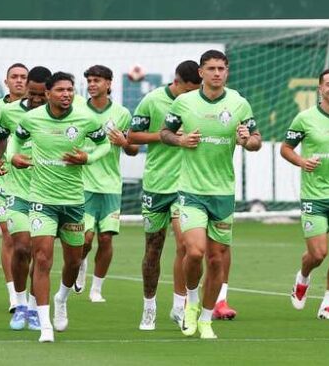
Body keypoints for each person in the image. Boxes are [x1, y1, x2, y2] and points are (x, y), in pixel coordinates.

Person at [162, 50, 262, 340]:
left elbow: (256, 140)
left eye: (221, 68)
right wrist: (180, 139)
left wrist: (247, 141)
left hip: (222, 193)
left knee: (217, 260)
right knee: (194, 251)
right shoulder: (184, 102)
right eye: (211, 68)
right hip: (191, 190)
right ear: (201, 72)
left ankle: (206, 319)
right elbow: (164, 133)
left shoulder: (239, 103)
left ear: (227, 72)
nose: (217, 73)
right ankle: (191, 302)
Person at [9, 71, 108, 343]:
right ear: (49, 93)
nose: (66, 94)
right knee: (41, 258)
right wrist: (12, 156)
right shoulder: (32, 118)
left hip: (74, 201)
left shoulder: (86, 119)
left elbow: (105, 144)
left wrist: (88, 157)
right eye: (61, 90)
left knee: (74, 260)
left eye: (70, 90)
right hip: (41, 200)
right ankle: (44, 326)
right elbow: (15, 139)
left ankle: (61, 298)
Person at [130, 60, 202, 331]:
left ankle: (178, 306)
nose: (193, 95)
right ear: (178, 82)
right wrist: (166, 136)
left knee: (186, 245)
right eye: (189, 89)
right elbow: (132, 136)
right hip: (156, 185)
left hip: (185, 185)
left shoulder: (199, 103)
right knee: (153, 249)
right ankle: (149, 307)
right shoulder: (152, 100)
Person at [281, 68, 329, 320]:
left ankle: (328, 304)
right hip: (314, 196)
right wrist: (301, 161)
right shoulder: (305, 118)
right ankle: (302, 278)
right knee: (317, 254)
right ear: (320, 89)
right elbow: (286, 148)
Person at [0, 66, 51, 331]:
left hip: (48, 191)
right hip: (16, 189)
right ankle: (20, 302)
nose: (37, 99)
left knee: (42, 254)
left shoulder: (59, 115)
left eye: (41, 95)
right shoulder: (8, 112)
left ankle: (39, 308)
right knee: (22, 246)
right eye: (33, 93)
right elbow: (0, 140)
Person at [77, 65, 139, 302]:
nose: (92, 84)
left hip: (111, 185)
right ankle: (81, 263)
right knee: (85, 239)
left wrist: (124, 141)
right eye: (90, 81)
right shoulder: (79, 110)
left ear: (109, 84)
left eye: (97, 81)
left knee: (106, 239)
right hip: (83, 184)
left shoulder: (122, 114)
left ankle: (97, 289)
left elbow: (133, 149)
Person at [0, 64, 30, 313]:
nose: (19, 81)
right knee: (9, 237)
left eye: (24, 77)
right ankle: (14, 297)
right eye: (15, 77)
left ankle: (30, 296)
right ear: (6, 81)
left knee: (30, 243)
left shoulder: (40, 108)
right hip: (6, 180)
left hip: (34, 182)